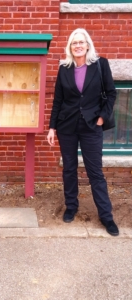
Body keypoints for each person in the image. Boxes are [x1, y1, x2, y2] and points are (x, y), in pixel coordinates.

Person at [47, 28, 119, 236]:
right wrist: (52, 127)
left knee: (95, 172)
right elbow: (58, 100)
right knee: (69, 168)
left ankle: (106, 216)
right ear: (70, 47)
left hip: (91, 127)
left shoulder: (101, 65)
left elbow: (111, 93)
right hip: (67, 126)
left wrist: (101, 118)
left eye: (81, 42)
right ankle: (71, 206)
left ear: (88, 45)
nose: (78, 45)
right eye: (74, 43)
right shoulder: (64, 69)